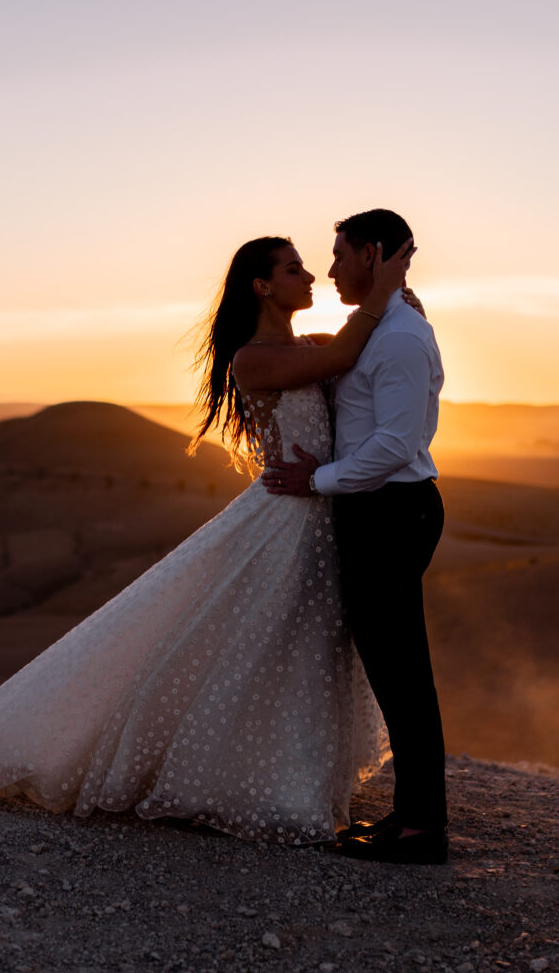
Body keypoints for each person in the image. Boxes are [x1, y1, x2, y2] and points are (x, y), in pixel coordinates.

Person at [0, 233, 414, 846]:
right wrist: (384, 290)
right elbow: (345, 355)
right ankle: (246, 781)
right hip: (287, 520)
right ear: (262, 286)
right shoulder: (255, 358)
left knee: (302, 646)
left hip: (321, 515)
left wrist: (402, 302)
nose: (310, 275)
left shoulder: (308, 344)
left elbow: (358, 351)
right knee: (261, 641)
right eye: (294, 269)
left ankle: (293, 775)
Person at [262, 209, 448, 865]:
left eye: (339, 255)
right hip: (376, 511)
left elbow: (396, 445)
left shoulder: (396, 336)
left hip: (391, 511)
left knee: (402, 675)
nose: (331, 268)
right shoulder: (378, 324)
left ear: (371, 253)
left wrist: (320, 480)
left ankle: (423, 830)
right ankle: (411, 816)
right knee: (395, 672)